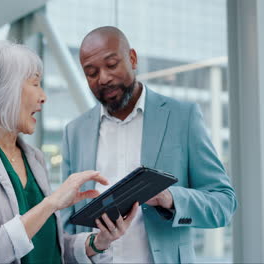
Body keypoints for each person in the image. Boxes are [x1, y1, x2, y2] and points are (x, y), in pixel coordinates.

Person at [0, 40, 135, 264]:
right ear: (6, 91)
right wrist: (51, 203)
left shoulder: (34, 158)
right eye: (35, 84)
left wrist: (97, 242)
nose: (43, 96)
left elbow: (47, 245)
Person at [60, 26, 238, 263]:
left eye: (112, 65)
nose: (103, 78)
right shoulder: (75, 132)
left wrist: (170, 198)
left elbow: (224, 204)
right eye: (91, 72)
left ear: (132, 59)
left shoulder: (181, 118)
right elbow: (66, 226)